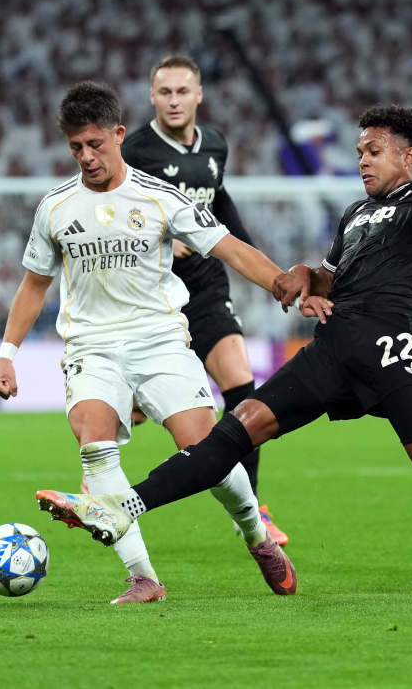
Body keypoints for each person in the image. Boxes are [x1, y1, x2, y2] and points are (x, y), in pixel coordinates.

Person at [35, 101, 412, 598]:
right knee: (233, 432)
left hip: (394, 345)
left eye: (373, 151)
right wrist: (303, 276)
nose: (362, 161)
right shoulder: (356, 214)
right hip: (333, 347)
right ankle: (122, 508)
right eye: (359, 152)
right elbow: (327, 280)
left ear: (408, 156)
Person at [0, 81, 303, 603]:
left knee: (205, 453)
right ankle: (144, 577)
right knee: (94, 443)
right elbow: (34, 286)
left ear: (118, 135)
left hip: (159, 341)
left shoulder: (160, 198)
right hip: (91, 346)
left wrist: (281, 282)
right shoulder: (55, 208)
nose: (86, 157)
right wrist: (7, 355)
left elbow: (228, 247)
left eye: (95, 144)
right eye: (75, 148)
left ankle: (256, 533)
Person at [121, 55, 288, 546]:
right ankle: (101, 471)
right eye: (165, 92)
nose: (174, 100)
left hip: (207, 286)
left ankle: (252, 511)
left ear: (199, 95)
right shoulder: (134, 150)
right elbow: (114, 209)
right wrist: (159, 237)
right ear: (152, 97)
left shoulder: (215, 144)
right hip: (151, 293)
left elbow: (218, 199)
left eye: (182, 91)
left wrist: (251, 251)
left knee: (243, 387)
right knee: (126, 406)